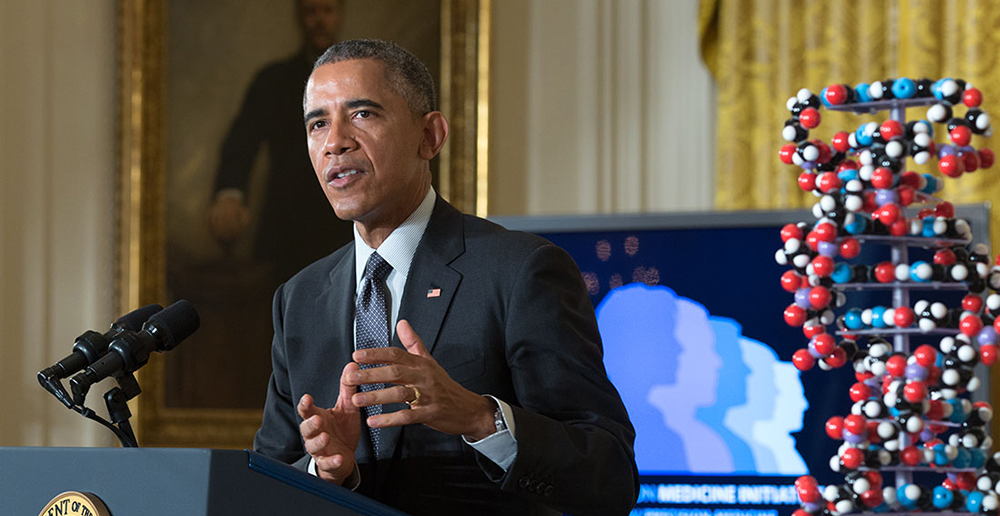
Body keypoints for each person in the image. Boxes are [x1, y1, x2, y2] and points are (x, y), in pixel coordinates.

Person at [253, 38, 638, 515]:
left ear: (429, 136)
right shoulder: (300, 298)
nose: (335, 141)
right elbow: (265, 481)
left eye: (363, 114)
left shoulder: (521, 270)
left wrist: (480, 418)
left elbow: (610, 476)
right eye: (318, 123)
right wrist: (329, 472)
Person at [208, 0, 353, 283]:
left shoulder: (361, 81)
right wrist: (230, 195)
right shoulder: (273, 81)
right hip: (285, 233)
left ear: (339, 15)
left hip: (346, 227)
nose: (319, 20)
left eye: (327, 11)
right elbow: (242, 141)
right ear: (299, 17)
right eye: (311, 12)